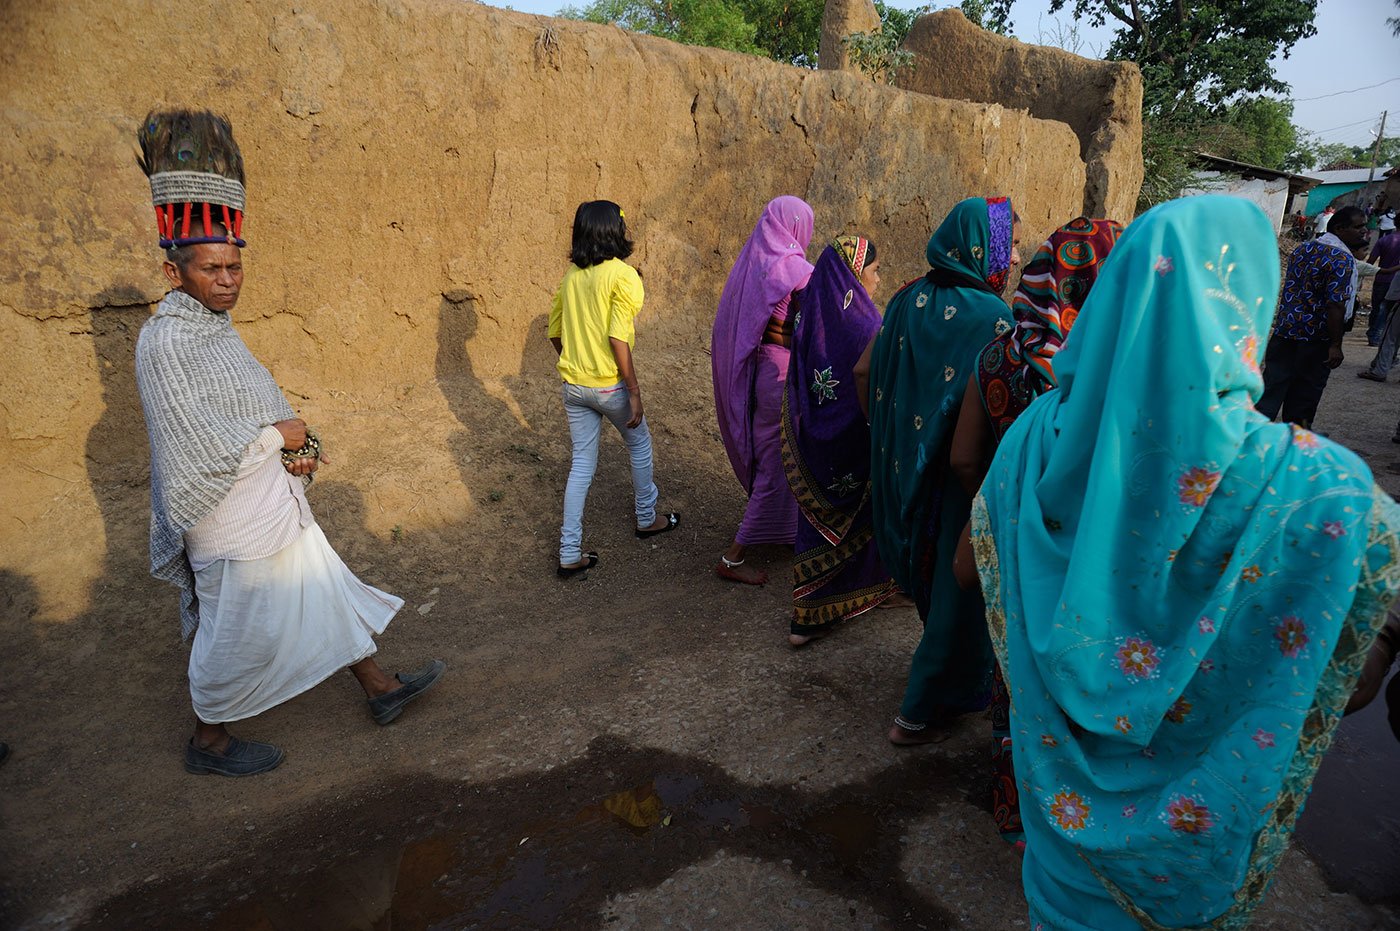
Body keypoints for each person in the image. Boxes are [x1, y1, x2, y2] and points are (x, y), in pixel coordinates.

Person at [966, 195, 1400, 930]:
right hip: (1185, 870)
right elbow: (1356, 656)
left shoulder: (1034, 438)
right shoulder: (1313, 491)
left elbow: (970, 568)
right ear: (1249, 304)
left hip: (1056, 840)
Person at [134, 110, 444, 777]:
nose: (228, 279)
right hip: (222, 519)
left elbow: (254, 407)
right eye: (212, 268)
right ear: (173, 272)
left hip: (265, 500)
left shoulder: (216, 330)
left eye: (235, 266)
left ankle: (379, 688)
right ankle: (208, 741)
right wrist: (278, 434)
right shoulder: (163, 341)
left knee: (320, 582)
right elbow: (194, 444)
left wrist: (294, 448)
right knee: (231, 630)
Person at [946, 216, 1122, 844]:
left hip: (1015, 560)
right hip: (1091, 574)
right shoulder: (1114, 379)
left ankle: (1016, 809)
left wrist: (999, 514)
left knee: (1015, 681)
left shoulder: (995, 356)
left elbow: (965, 458)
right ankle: (1080, 829)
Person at [857, 196, 1021, 745]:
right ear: (983, 249)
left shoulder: (904, 299)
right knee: (960, 591)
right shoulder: (995, 319)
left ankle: (955, 690)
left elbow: (863, 371)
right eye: (1010, 243)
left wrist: (890, 436)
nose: (1017, 255)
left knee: (939, 588)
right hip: (958, 478)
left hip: (908, 474)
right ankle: (915, 713)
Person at [548, 200, 679, 579]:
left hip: (575, 387)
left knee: (582, 465)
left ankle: (569, 552)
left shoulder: (571, 277)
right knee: (639, 442)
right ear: (614, 231)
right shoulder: (623, 276)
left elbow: (555, 332)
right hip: (610, 387)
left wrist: (576, 362)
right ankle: (647, 518)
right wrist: (633, 389)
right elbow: (617, 337)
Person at [782, 236, 896, 647]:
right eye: (875, 270)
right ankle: (828, 606)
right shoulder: (865, 325)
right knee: (861, 515)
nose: (879, 279)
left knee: (815, 524)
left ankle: (808, 612)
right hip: (853, 439)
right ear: (855, 274)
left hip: (815, 441)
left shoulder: (810, 316)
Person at [711, 196, 814, 585]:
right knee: (778, 464)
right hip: (783, 376)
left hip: (760, 372)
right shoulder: (797, 270)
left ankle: (789, 533)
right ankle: (734, 557)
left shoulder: (752, 265)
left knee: (780, 456)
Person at [1257, 206, 1367, 427]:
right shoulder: (1341, 259)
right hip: (1315, 337)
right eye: (1358, 227)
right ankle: (1297, 443)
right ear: (1339, 228)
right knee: (1304, 394)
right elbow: (1335, 304)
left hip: (1286, 329)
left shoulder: (1303, 249)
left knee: (1271, 387)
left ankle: (1252, 437)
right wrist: (1335, 344)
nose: (1363, 232)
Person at [1364, 219, 1400, 345]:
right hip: (1396, 282)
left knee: (1377, 308)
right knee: (1388, 311)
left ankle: (1372, 332)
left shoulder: (1384, 240)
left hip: (1381, 278)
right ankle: (1377, 335)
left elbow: (1371, 261)